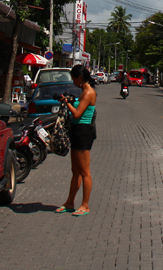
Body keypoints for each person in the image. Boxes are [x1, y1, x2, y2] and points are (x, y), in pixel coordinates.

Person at [55, 64, 96, 216]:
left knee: (85, 172)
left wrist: (67, 103)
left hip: (83, 133)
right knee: (75, 171)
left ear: (80, 78)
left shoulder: (89, 92)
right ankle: (70, 202)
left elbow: (77, 114)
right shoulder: (83, 91)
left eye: (74, 79)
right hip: (76, 131)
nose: (73, 83)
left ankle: (85, 205)